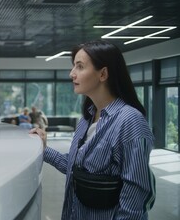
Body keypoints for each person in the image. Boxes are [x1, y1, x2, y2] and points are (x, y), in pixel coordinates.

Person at [30, 40, 156, 219]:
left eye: (79, 67)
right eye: (74, 67)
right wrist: (44, 149)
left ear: (103, 73)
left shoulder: (129, 121)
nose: (72, 74)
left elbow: (136, 195)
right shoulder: (87, 118)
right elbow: (76, 168)